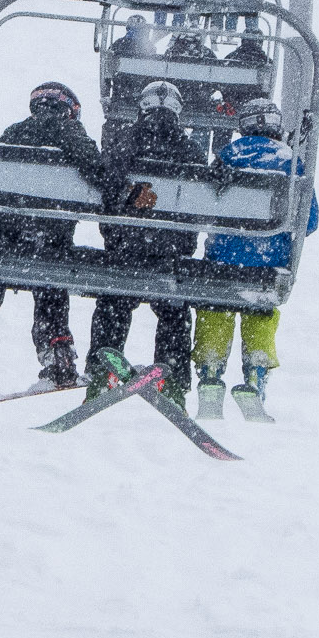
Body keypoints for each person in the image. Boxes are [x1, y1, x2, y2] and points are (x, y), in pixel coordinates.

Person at [0, 82, 108, 400]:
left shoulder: (13, 133)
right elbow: (94, 169)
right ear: (69, 109)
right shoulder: (71, 133)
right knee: (51, 286)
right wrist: (119, 189)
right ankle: (57, 352)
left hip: (5, 235)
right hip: (50, 237)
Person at [192, 97, 319, 423]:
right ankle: (254, 377)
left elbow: (204, 206)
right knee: (260, 313)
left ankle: (210, 373)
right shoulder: (291, 162)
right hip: (268, 262)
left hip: (222, 262)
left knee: (216, 309)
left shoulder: (227, 157)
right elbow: (310, 219)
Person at [87, 80, 206, 402]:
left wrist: (118, 222)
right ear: (178, 110)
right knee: (174, 310)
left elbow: (105, 184)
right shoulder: (191, 150)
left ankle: (101, 366)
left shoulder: (125, 140)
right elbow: (201, 202)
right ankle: (174, 377)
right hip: (169, 250)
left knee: (114, 302)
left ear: (143, 106)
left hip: (127, 245)